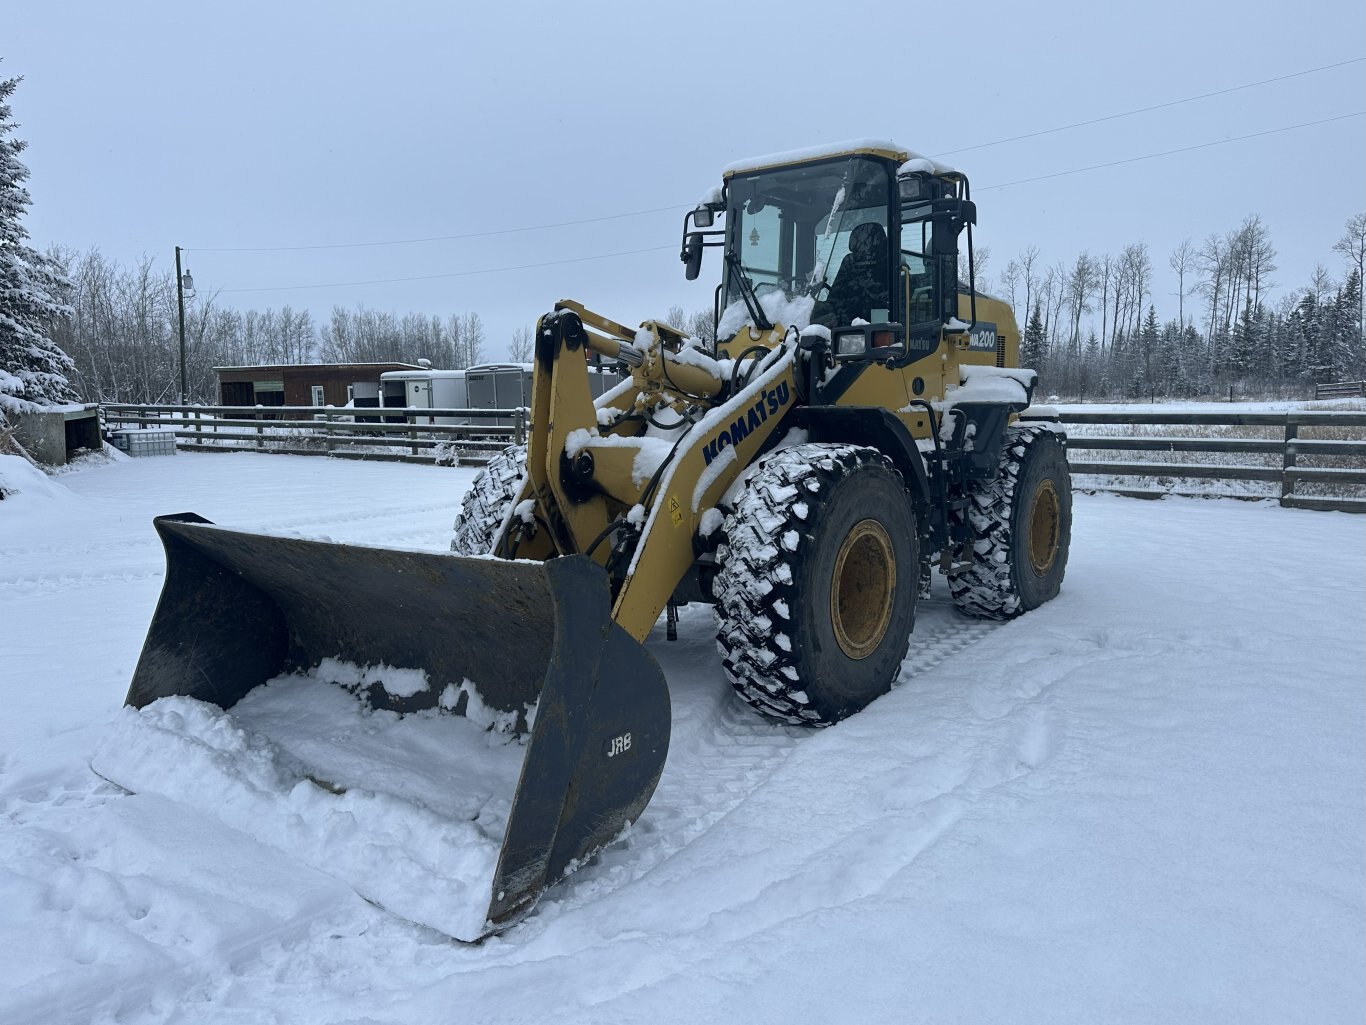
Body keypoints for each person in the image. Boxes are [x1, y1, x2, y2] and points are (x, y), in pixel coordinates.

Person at [813, 221, 890, 327]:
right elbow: (835, 300)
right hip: (844, 325)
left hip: (878, 323)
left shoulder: (889, 263)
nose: (865, 249)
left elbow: (883, 302)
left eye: (867, 242)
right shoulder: (849, 263)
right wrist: (813, 305)